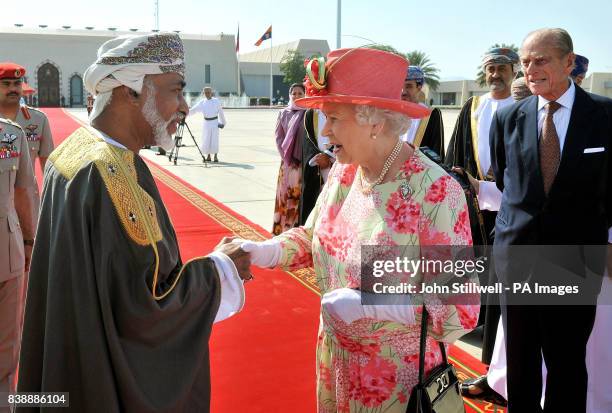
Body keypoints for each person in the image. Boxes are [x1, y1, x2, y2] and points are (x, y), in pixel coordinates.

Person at [16, 33, 252, 413]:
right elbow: (139, 314)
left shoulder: (82, 153)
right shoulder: (101, 171)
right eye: (176, 91)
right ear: (132, 92)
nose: (185, 107)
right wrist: (220, 270)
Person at [236, 48, 480, 412]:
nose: (325, 131)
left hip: (396, 381)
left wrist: (376, 305)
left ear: (374, 121)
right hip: (336, 363)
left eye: (333, 118)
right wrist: (263, 251)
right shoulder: (345, 171)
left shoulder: (435, 191)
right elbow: (312, 235)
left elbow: (461, 309)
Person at [490, 28, 612, 412]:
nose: (530, 69)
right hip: (517, 259)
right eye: (525, 62)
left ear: (569, 62)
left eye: (540, 60)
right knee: (520, 364)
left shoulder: (605, 115)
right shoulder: (509, 117)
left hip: (574, 261)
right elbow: (505, 179)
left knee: (567, 363)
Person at [445, 47, 518, 374]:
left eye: (501, 68)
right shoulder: (472, 107)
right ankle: (471, 319)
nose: (495, 74)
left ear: (513, 70)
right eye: (490, 68)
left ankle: (494, 330)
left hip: (510, 202)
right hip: (474, 202)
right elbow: (456, 152)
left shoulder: (523, 107)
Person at [0, 114, 36, 400]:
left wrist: (28, 241)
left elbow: (23, 191)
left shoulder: (10, 134)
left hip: (7, 251)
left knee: (8, 346)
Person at [272, 83, 306, 235]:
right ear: (290, 95)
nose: (297, 96)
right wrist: (286, 156)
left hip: (302, 164)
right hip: (287, 163)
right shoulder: (283, 113)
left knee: (297, 196)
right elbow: (278, 137)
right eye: (294, 93)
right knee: (284, 195)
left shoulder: (309, 113)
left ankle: (294, 230)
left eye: (300, 93)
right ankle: (281, 229)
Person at [400, 66, 444, 157]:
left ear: (419, 87)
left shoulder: (430, 115)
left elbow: (435, 152)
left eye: (409, 86)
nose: (403, 92)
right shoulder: (392, 114)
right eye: (400, 86)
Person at [299, 108, 333, 225]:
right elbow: (307, 141)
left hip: (337, 162)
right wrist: (318, 158)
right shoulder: (310, 113)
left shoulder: (342, 109)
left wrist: (329, 155)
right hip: (315, 164)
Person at [189, 86, 226, 162]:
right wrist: (185, 112)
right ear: (203, 93)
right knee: (206, 139)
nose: (207, 94)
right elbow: (193, 110)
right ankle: (208, 156)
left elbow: (221, 112)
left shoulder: (216, 101)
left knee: (214, 139)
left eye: (208, 92)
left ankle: (215, 156)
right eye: (205, 92)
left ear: (211, 93)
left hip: (215, 123)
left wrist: (223, 122)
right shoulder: (202, 102)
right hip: (206, 123)